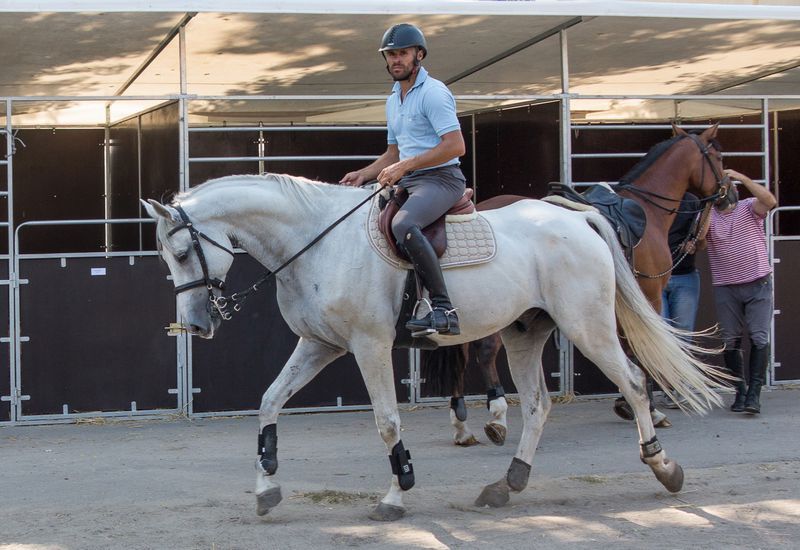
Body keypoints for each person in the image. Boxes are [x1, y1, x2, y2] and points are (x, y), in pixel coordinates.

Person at [341, 23, 466, 336]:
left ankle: (443, 308)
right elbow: (392, 154)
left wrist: (406, 166)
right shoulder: (393, 98)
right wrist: (364, 173)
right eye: (391, 54)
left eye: (402, 53)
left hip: (442, 179)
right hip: (410, 179)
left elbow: (455, 145)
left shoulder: (434, 93)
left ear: (418, 55)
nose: (396, 60)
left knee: (402, 225)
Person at [698, 169, 777, 414]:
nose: (724, 192)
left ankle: (754, 393)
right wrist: (709, 205)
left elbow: (770, 201)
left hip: (758, 283)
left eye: (726, 187)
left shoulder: (748, 207)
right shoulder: (708, 215)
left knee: (758, 337)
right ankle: (740, 390)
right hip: (727, 286)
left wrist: (742, 177)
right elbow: (700, 241)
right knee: (729, 340)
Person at [660, 192, 704, 409]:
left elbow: (702, 237)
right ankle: (669, 388)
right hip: (658, 278)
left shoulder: (693, 201)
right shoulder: (653, 200)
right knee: (664, 335)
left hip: (685, 275)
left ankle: (681, 388)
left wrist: (696, 243)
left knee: (683, 335)